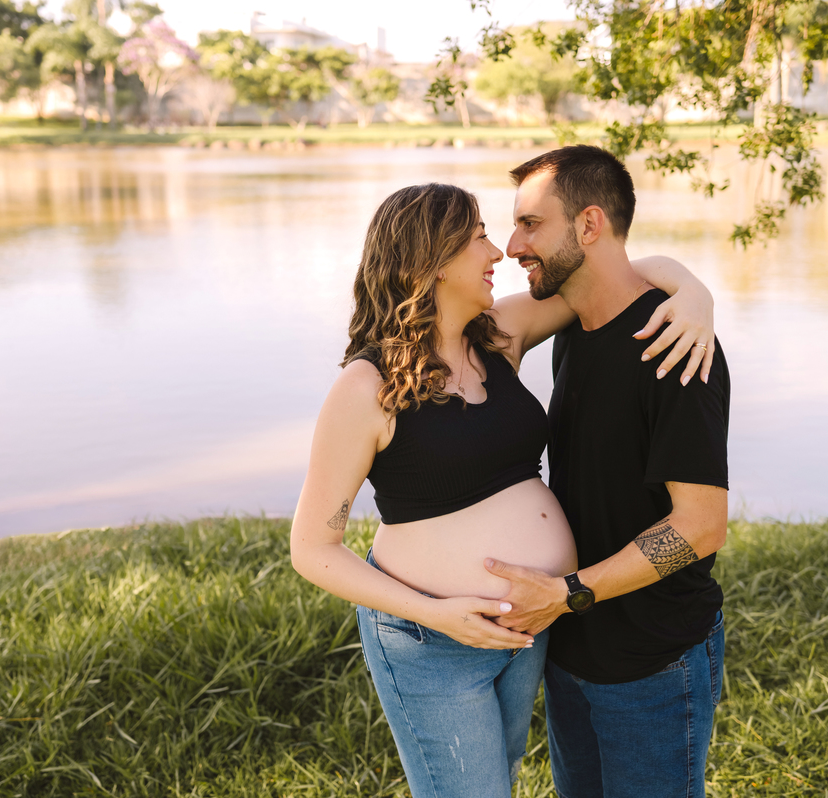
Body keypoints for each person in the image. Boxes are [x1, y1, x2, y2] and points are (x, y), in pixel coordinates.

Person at [290, 181, 717, 798]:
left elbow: (613, 274)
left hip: (527, 633)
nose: (499, 253)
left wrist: (694, 293)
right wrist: (437, 614)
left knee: (501, 781)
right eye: (478, 238)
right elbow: (313, 548)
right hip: (432, 643)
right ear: (429, 262)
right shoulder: (367, 387)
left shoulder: (499, 335)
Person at [483, 145, 731, 798]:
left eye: (530, 224)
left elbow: (700, 527)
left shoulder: (673, 344)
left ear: (589, 225)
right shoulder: (572, 322)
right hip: (572, 650)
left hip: (651, 660)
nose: (512, 245)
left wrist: (567, 592)